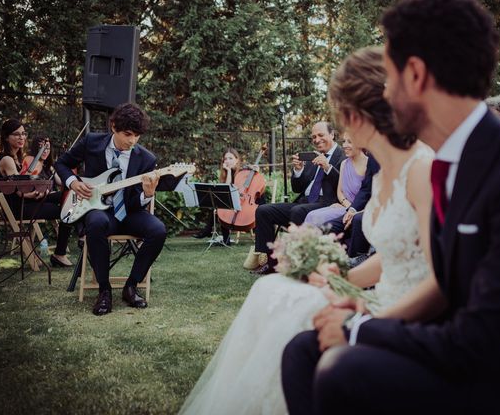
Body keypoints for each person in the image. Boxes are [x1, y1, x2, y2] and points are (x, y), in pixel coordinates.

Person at [282, 0, 500, 415]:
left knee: (344, 368)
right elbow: (452, 284)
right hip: (472, 354)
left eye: (389, 78)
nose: (385, 95)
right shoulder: (459, 161)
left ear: (416, 74)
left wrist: (361, 330)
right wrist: (367, 307)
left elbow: (480, 339)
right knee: (303, 351)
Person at [179, 46, 434, 415]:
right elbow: (392, 256)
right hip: (376, 295)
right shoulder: (385, 170)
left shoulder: (423, 169)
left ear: (363, 112)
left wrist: (362, 311)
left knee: (286, 309)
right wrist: (341, 274)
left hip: (405, 313)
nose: (343, 128)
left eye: (345, 115)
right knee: (273, 289)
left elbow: (438, 272)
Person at [55, 103, 168, 316]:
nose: (132, 141)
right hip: (99, 210)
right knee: (96, 222)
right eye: (128, 134)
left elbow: (136, 201)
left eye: (137, 136)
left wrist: (147, 194)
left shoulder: (146, 159)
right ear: (113, 126)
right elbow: (61, 163)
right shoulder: (91, 142)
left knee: (158, 230)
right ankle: (104, 290)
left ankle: (131, 286)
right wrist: (73, 182)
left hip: (130, 212)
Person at [246, 122, 345, 275]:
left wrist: (327, 167)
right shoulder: (313, 157)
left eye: (320, 135)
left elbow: (344, 183)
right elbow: (297, 188)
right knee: (263, 210)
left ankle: (296, 262)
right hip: (304, 202)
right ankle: (270, 264)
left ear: (332, 134)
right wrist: (298, 171)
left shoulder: (342, 155)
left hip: (327, 204)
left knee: (298, 211)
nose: (316, 139)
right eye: (313, 137)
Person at [0, 119, 73, 268]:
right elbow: (19, 193)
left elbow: (24, 188)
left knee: (68, 194)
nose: (21, 137)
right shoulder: (7, 160)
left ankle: (67, 248)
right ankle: (60, 254)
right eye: (16, 134)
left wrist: (39, 192)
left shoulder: (17, 159)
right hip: (18, 208)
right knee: (68, 209)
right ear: (5, 137)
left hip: (26, 202)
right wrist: (37, 194)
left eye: (23, 134)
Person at [303, 132, 367, 226]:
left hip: (360, 210)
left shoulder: (370, 165)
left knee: (316, 218)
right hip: (345, 206)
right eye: (344, 141)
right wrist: (346, 205)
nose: (345, 145)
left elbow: (370, 195)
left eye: (350, 142)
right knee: (311, 215)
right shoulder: (344, 164)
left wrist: (352, 209)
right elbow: (340, 192)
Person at [326, 155, 380, 262]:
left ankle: (355, 260)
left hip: (387, 206)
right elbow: (366, 189)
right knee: (328, 227)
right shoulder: (373, 157)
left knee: (358, 219)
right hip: (365, 206)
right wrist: (352, 209)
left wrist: (364, 210)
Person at [192, 148, 242, 245]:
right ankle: (222, 238)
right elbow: (225, 191)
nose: (227, 161)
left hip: (240, 203)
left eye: (230, 158)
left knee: (221, 207)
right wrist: (227, 171)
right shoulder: (226, 173)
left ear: (237, 160)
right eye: (225, 159)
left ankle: (208, 231)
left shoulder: (242, 173)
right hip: (229, 203)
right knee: (218, 204)